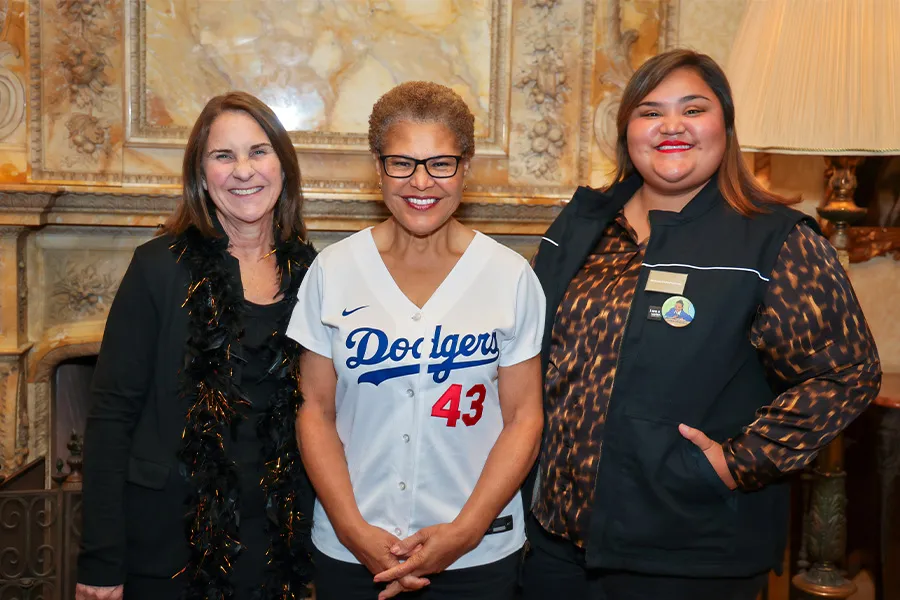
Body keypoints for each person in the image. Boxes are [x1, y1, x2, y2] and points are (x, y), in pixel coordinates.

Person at [520, 49, 882, 600]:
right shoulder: (582, 222)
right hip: (554, 545)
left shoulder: (776, 240)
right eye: (650, 111)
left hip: (690, 556)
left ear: (726, 126)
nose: (671, 126)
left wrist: (737, 463)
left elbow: (847, 372)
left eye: (693, 109)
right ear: (627, 133)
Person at [287, 81, 545, 600]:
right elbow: (315, 410)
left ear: (466, 167)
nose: (420, 181)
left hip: (477, 555)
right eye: (401, 163)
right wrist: (353, 529)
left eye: (440, 163)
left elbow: (524, 418)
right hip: (352, 552)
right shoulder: (333, 271)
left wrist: (466, 531)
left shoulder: (510, 276)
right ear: (378, 167)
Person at [76, 92, 317, 600]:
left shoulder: (314, 273)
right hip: (167, 546)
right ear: (201, 174)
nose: (243, 171)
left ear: (283, 166)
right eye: (223, 156)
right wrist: (101, 560)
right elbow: (110, 416)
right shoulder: (158, 267)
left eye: (258, 151)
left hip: (275, 544)